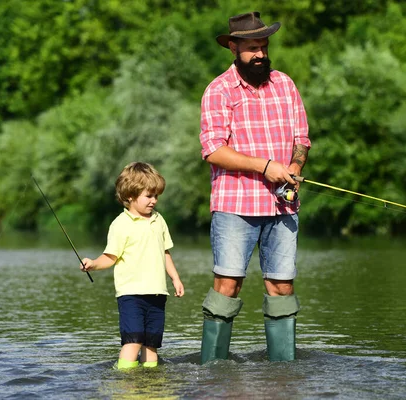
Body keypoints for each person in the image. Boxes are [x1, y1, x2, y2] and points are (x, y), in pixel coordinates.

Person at [198, 11, 310, 363]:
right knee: (227, 286)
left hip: (282, 207)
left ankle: (283, 372)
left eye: (263, 46)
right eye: (252, 48)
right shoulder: (218, 90)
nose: (260, 54)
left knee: (282, 287)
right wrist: (265, 167)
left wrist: (293, 167)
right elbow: (213, 150)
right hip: (235, 205)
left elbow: (302, 139)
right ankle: (213, 371)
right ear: (233, 48)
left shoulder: (286, 84)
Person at [80, 162, 185, 370]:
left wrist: (175, 278)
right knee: (133, 339)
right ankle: (124, 380)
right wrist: (92, 264)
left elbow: (165, 252)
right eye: (149, 196)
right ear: (130, 196)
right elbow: (110, 257)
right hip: (131, 294)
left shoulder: (158, 219)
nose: (154, 201)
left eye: (156, 196)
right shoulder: (121, 224)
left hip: (157, 293)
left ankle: (151, 382)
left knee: (152, 343)